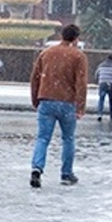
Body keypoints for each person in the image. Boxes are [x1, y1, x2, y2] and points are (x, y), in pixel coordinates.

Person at [28, 23, 88, 188]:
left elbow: (35, 78)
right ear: (76, 39)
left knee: (42, 138)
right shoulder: (78, 56)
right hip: (67, 102)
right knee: (68, 139)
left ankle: (37, 168)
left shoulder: (46, 53)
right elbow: (81, 83)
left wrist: (35, 99)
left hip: (46, 100)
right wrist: (80, 106)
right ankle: (66, 173)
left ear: (62, 36)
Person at [95, 55, 112, 121]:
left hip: (102, 83)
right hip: (110, 84)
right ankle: (111, 115)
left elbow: (96, 74)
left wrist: (98, 80)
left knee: (101, 99)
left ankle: (100, 114)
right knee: (111, 100)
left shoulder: (101, 66)